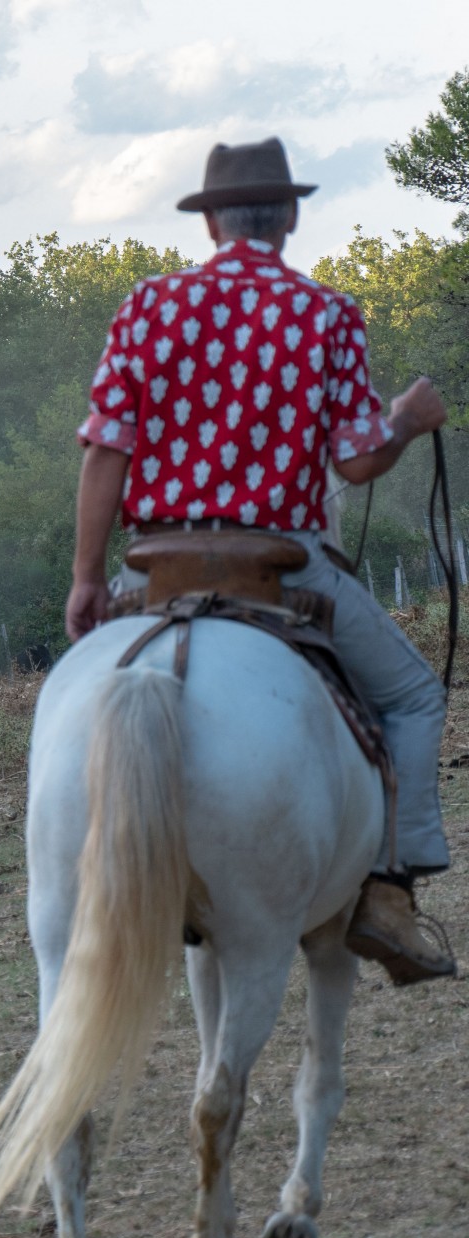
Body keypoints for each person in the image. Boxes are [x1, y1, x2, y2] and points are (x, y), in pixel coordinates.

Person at [67, 137, 455, 985]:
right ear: (288, 215)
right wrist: (406, 419)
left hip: (157, 568)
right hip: (283, 565)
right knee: (415, 696)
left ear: (209, 223)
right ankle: (390, 894)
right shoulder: (326, 313)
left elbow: (106, 452)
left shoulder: (147, 307)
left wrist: (88, 578)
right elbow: (356, 463)